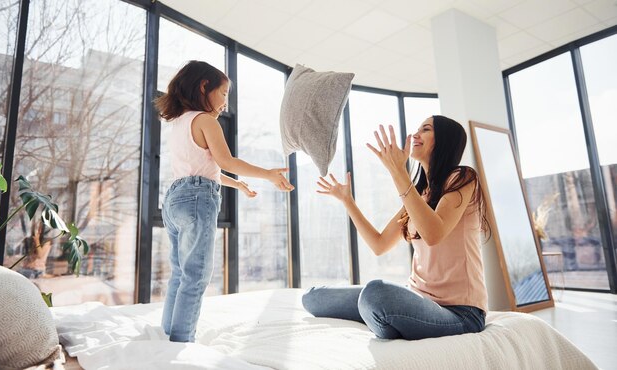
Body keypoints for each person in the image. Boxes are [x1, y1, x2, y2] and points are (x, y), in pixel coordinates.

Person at [302, 115, 490, 341]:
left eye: (426, 129)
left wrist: (398, 172)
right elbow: (379, 244)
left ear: (444, 141)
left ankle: (385, 319)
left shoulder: (464, 177)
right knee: (314, 298)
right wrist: (348, 202)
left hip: (461, 313)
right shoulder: (420, 196)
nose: (415, 135)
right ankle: (387, 319)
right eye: (418, 128)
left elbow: (434, 234)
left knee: (375, 293)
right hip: (418, 299)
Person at [154, 60, 294, 343]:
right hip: (195, 200)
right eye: (224, 93)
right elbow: (226, 161)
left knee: (180, 272)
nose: (225, 103)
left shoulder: (179, 122)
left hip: (174, 199)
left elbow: (202, 170)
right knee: (196, 276)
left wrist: (237, 183)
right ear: (204, 86)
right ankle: (180, 342)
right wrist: (267, 174)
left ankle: (168, 332)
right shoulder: (205, 120)